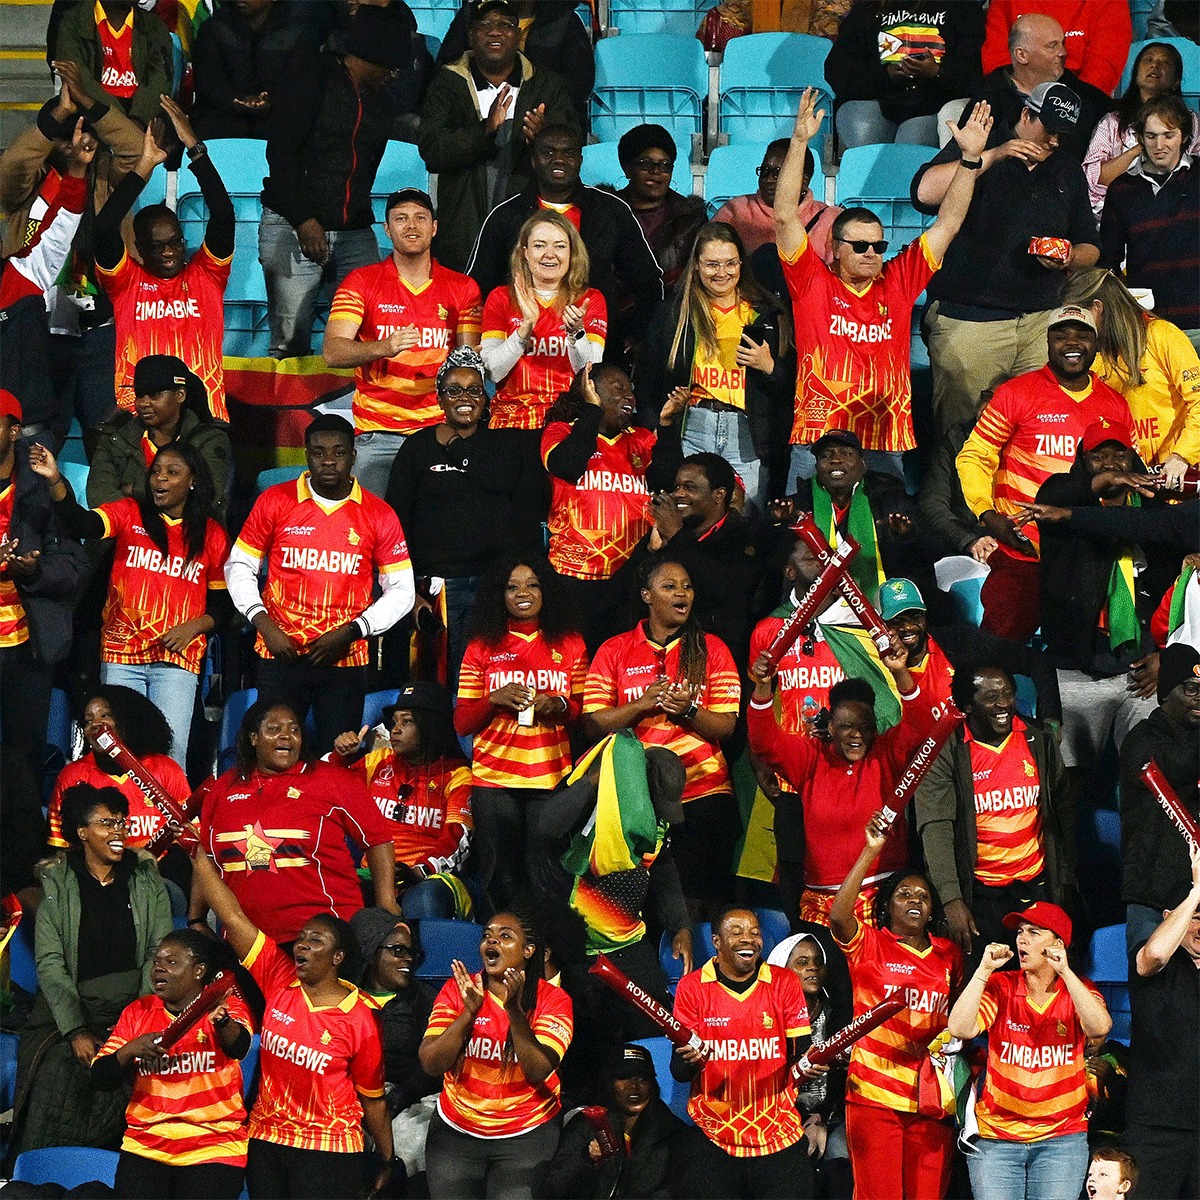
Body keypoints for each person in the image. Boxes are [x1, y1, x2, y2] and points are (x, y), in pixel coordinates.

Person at [776, 89, 992, 481]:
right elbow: (785, 217)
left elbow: (948, 224)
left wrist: (970, 160)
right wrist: (798, 143)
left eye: (878, 245)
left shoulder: (898, 280)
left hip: (883, 442)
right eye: (859, 245)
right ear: (833, 248)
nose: (872, 252)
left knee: (880, 541)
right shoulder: (811, 282)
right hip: (817, 440)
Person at [189, 829, 396, 1200]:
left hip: (329, 1150)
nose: (302, 943)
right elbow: (232, 917)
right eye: (302, 936)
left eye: (316, 939)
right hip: (267, 1141)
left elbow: (373, 1098)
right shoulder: (278, 977)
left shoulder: (361, 1016)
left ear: (338, 958)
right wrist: (196, 854)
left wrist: (386, 1157)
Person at [914, 80, 1100, 442]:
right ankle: (955, 502)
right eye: (1050, 130)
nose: (1055, 142)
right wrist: (994, 155)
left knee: (1035, 434)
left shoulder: (1066, 168)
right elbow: (924, 192)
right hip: (970, 319)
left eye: (1064, 134)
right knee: (960, 436)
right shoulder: (982, 142)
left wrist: (1068, 256)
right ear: (1027, 114)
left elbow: (1090, 246)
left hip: (1039, 322)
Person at [32, 439, 229, 771]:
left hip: (176, 660)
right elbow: (83, 524)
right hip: (121, 656)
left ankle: (165, 823)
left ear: (194, 480)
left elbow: (222, 608)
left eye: (172, 472)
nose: (160, 479)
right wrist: (55, 480)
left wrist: (192, 627)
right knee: (118, 755)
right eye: (156, 472)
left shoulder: (211, 534)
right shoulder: (129, 512)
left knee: (169, 757)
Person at [225, 414, 414, 753]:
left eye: (338, 452)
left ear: (354, 456)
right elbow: (239, 565)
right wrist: (265, 626)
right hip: (278, 653)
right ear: (306, 454)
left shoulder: (379, 513)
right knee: (273, 758)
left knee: (337, 760)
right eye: (318, 452)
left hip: (345, 659)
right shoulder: (275, 500)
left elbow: (402, 590)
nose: (328, 461)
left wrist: (351, 632)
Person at [956, 306, 1135, 642]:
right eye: (1061, 335)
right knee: (998, 650)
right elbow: (974, 456)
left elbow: (1128, 474)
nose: (1072, 342)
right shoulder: (1016, 393)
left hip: (1084, 555)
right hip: (1023, 550)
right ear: (1047, 342)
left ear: (1096, 344)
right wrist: (988, 514)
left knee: (1076, 659)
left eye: (1082, 335)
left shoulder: (1116, 404)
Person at [14, 783, 171, 1156]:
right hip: (72, 1009)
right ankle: (44, 1174)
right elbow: (50, 963)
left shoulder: (147, 879)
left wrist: (136, 1019)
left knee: (137, 1067)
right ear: (82, 832)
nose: (118, 832)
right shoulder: (57, 882)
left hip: (133, 1004)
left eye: (121, 823)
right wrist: (76, 1030)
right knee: (56, 1069)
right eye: (106, 824)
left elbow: (158, 952)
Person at [747, 627, 936, 928]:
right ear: (831, 727)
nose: (857, 734)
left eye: (865, 726)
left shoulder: (886, 753)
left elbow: (924, 724)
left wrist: (900, 673)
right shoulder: (811, 757)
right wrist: (763, 687)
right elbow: (763, 742)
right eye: (847, 726)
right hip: (823, 904)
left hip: (884, 901)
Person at [584, 558, 740, 913]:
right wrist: (640, 705)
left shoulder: (712, 649)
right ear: (646, 596)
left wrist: (688, 710)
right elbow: (593, 723)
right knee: (640, 909)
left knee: (700, 905)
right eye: (669, 586)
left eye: (686, 586)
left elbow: (726, 726)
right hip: (634, 796)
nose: (681, 593)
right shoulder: (614, 650)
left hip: (703, 793)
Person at [1030, 422, 1177, 784]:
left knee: (1152, 783)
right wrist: (1099, 485)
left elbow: (1175, 592)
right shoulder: (1058, 501)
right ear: (1082, 458)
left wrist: (1166, 655)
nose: (1111, 464)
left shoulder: (1154, 513)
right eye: (1099, 456)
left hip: (1140, 674)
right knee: (1065, 786)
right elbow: (1060, 495)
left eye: (1119, 455)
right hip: (1076, 672)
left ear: (1134, 457)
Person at [0, 67, 140, 443]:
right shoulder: (28, 184)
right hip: (37, 328)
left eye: (83, 134)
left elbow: (135, 146)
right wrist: (57, 115)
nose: (74, 143)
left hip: (98, 325)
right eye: (64, 137)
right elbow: (10, 166)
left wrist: (89, 103)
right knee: (42, 434)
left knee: (107, 434)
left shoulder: (108, 177)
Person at [258, 6, 407, 358]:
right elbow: (281, 156)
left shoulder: (382, 102)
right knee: (290, 340)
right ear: (368, 54)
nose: (395, 73)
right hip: (293, 223)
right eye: (389, 64)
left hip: (354, 229)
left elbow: (368, 166)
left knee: (368, 333)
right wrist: (304, 219)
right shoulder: (309, 79)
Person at [386, 346, 543, 679]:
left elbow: (501, 484)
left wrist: (456, 447)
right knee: (441, 680)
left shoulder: (507, 445)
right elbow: (397, 521)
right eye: (454, 390)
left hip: (495, 584)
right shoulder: (417, 447)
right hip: (439, 586)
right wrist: (407, 589)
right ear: (440, 399)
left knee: (490, 677)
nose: (465, 397)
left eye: (474, 390)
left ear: (485, 401)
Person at [191, 698, 399, 944]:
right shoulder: (224, 786)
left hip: (324, 941)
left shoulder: (333, 780)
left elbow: (378, 840)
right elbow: (205, 855)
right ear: (253, 737)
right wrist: (197, 919)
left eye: (294, 729)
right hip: (245, 943)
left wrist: (386, 902)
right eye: (274, 729)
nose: (286, 737)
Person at [830, 816, 963, 1200]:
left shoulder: (949, 955)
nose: (915, 901)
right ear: (886, 906)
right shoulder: (869, 945)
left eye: (923, 896)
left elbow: (957, 1015)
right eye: (904, 894)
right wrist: (870, 850)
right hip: (874, 1095)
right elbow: (839, 916)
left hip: (931, 1098)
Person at [323, 188, 483, 498]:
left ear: (434, 228)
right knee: (370, 533)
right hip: (377, 434)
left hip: (439, 430)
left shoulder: (463, 287)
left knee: (438, 530)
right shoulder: (361, 281)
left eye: (421, 218)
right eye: (401, 218)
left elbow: (469, 366)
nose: (411, 226)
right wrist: (384, 346)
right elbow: (333, 351)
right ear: (387, 229)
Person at [947, 902, 1111, 1200]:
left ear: (1058, 944)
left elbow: (1099, 1027)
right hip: (997, 1139)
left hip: (1062, 1140)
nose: (1022, 939)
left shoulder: (1080, 990)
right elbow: (959, 1028)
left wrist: (1066, 972)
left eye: (1034, 933)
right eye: (1020, 932)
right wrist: (983, 971)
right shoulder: (1001, 986)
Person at [916, 662, 1074, 968]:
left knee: (1038, 985)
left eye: (1008, 694)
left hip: (1036, 887)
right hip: (981, 897)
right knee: (987, 992)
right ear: (966, 706)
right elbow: (936, 827)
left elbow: (1063, 809)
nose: (1003, 704)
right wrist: (951, 900)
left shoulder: (1038, 739)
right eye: (990, 698)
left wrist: (1063, 878)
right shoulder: (946, 749)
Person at [455, 556, 587, 912]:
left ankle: (546, 958)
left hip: (550, 780)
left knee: (547, 878)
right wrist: (493, 699)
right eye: (512, 587)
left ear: (546, 592)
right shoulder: (481, 646)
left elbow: (581, 713)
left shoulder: (571, 644)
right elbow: (462, 723)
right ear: (500, 595)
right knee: (500, 879)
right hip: (494, 782)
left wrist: (557, 705)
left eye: (531, 585)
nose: (522, 593)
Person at [467, 123, 662, 364]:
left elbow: (649, 283)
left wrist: (632, 335)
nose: (559, 159)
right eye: (548, 152)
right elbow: (475, 288)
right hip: (520, 358)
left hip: (596, 356)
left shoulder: (611, 211)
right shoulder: (505, 215)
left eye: (568, 153)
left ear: (580, 160)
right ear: (534, 160)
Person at [636, 220, 795, 508]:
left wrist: (770, 367)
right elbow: (647, 377)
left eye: (730, 263)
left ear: (741, 264)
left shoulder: (768, 313)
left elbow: (792, 385)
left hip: (746, 431)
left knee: (745, 520)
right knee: (689, 518)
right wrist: (655, 425)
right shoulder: (674, 313)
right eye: (712, 264)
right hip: (691, 427)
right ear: (695, 265)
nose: (722, 273)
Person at [95, 99, 234, 423]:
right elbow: (104, 225)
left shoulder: (207, 274)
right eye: (158, 247)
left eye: (175, 242)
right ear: (140, 250)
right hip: (139, 421)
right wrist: (145, 164)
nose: (170, 252)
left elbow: (223, 213)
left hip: (205, 420)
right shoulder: (125, 282)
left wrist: (195, 149)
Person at [419, 911, 574, 1200]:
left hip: (526, 1135)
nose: (493, 940)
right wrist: (469, 1013)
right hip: (456, 1132)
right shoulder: (459, 989)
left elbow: (539, 1070)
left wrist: (514, 1011)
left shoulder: (552, 1000)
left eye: (505, 936)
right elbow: (431, 1063)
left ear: (529, 951)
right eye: (488, 935)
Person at [418, 1, 581, 274]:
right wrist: (485, 130)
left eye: (505, 25)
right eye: (485, 26)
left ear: (518, 35)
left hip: (528, 230)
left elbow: (572, 150)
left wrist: (543, 138)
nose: (495, 32)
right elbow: (432, 151)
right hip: (462, 228)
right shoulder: (447, 84)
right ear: (470, 36)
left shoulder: (546, 84)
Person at [91, 930, 254, 1200]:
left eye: (172, 962)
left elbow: (239, 1047)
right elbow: (100, 1077)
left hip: (213, 1146)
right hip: (146, 1147)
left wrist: (222, 1022)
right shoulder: (137, 1012)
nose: (159, 970)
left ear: (199, 970)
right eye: (156, 963)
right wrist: (130, 1050)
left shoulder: (225, 1005)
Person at [670, 908, 814, 1199]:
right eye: (736, 933)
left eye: (755, 933)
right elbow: (680, 1071)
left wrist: (810, 1065)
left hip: (778, 1133)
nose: (748, 939)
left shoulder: (785, 982)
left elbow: (799, 1054)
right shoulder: (691, 987)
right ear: (716, 941)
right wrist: (689, 1058)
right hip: (713, 1133)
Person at [541, 362, 684, 653]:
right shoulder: (560, 431)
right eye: (617, 389)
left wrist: (667, 425)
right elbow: (567, 465)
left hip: (630, 577)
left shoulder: (642, 439)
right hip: (574, 577)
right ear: (590, 390)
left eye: (631, 390)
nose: (629, 396)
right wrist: (590, 412)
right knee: (577, 664)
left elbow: (667, 480)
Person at [0, 392, 88, 776]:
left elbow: (74, 565)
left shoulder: (44, 490)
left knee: (24, 762)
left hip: (27, 645)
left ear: (14, 430)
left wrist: (33, 572)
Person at [334, 684, 474, 920]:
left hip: (431, 877)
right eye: (394, 722)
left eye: (406, 722)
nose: (395, 730)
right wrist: (340, 757)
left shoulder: (458, 775)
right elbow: (324, 791)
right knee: (333, 886)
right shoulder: (377, 762)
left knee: (424, 897)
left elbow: (457, 838)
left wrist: (420, 871)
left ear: (430, 726)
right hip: (375, 874)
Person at [775, 428, 944, 622]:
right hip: (815, 615)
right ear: (817, 466)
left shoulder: (891, 499)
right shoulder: (799, 504)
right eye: (826, 455)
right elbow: (777, 566)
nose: (835, 459)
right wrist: (778, 524)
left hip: (883, 613)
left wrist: (906, 536)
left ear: (863, 464)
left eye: (846, 454)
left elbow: (934, 551)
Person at [1063, 268, 1200, 485]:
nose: (1073, 328)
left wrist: (1182, 456)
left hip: (1176, 480)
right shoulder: (1093, 356)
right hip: (1124, 484)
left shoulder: (1163, 336)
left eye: (1077, 316)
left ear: (1097, 309)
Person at [46, 687, 192, 887]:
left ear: (127, 720)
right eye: (88, 721)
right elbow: (60, 847)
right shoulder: (72, 775)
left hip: (158, 876)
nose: (96, 725)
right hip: (97, 882)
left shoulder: (166, 770)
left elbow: (186, 842)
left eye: (105, 715)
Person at [480, 210, 607, 437]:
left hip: (568, 423)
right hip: (511, 424)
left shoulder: (590, 299)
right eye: (539, 246)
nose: (550, 254)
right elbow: (493, 372)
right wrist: (525, 328)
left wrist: (576, 334)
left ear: (572, 253)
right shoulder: (500, 297)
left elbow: (590, 371)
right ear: (525, 253)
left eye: (559, 246)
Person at [634, 452, 765, 669]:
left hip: (720, 661)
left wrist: (677, 536)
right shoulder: (667, 534)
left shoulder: (748, 534)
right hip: (660, 659)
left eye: (690, 487)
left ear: (719, 494)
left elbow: (726, 591)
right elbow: (628, 594)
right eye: (677, 487)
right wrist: (648, 551)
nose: (679, 494)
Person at [1123, 843, 1199, 1200]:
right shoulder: (1154, 964)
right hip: (1156, 1127)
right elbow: (1153, 953)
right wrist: (1197, 891)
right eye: (1196, 917)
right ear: (1172, 916)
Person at [1118, 642, 1200, 950]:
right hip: (1152, 893)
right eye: (1191, 689)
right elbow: (1177, 766)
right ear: (1166, 693)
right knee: (1151, 983)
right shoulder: (1141, 739)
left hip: (1196, 889)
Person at [1100, 94, 1200, 338]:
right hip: (1148, 326)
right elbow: (1107, 262)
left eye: (1168, 135)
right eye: (1151, 136)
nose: (1159, 145)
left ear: (1184, 136)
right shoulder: (1122, 189)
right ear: (1140, 139)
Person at [824, 0, 985, 149]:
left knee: (913, 141)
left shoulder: (962, 8)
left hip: (932, 105)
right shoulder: (868, 8)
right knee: (857, 120)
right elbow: (836, 70)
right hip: (878, 99)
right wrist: (886, 75)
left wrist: (937, 72)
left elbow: (974, 75)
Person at [87, 355, 233, 519]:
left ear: (180, 395)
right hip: (125, 538)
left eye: (154, 395)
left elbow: (206, 499)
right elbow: (98, 497)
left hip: (187, 538)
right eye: (140, 395)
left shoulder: (210, 440)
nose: (143, 403)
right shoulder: (114, 437)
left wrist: (133, 491)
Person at [766, 933, 852, 1198]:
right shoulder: (767, 1018)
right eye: (802, 962)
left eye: (817, 962)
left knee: (841, 1165)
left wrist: (822, 1121)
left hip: (833, 1118)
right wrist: (802, 1120)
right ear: (782, 970)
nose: (812, 967)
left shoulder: (839, 1015)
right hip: (780, 1118)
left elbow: (845, 1083)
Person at [544, 1042, 686, 1200]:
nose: (634, 1086)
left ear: (653, 1085)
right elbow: (554, 1188)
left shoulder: (673, 1132)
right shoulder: (587, 1123)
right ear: (610, 1083)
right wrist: (587, 1158)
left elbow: (679, 1189)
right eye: (624, 1078)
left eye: (642, 1078)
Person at [966, 13, 1113, 163]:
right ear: (1022, 55)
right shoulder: (988, 100)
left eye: (1062, 43)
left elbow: (1121, 117)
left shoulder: (1082, 94)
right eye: (1052, 46)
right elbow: (959, 161)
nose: (1063, 53)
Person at [434, 0, 595, 129]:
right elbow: (447, 68)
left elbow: (579, 85)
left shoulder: (564, 19)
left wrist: (546, 120)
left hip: (542, 121)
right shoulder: (472, 15)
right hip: (476, 119)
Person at [1083, 42, 1200, 216]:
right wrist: (1139, 148)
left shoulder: (1189, 121)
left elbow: (1194, 174)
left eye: (1165, 63)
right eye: (1148, 59)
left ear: (1176, 80)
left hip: (1174, 214)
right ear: (1136, 73)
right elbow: (1093, 180)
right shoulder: (1113, 121)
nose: (1155, 65)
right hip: (1115, 214)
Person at [349, 909, 440, 1117]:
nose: (407, 958)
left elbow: (431, 1069)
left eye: (411, 952)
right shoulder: (344, 997)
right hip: (350, 1098)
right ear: (370, 951)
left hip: (408, 1101)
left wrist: (396, 1101)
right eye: (398, 950)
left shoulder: (425, 999)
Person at [190, 0, 319, 140]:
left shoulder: (298, 32)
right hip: (222, 127)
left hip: (281, 129)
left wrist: (271, 102)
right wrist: (234, 101)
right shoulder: (213, 29)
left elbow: (304, 90)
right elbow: (207, 85)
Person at [612, 124, 706, 293]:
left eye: (664, 165)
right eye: (645, 163)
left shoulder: (691, 218)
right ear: (627, 168)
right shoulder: (605, 212)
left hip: (673, 308)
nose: (655, 171)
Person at [712, 139, 840, 264]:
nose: (768, 180)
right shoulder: (735, 211)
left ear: (804, 180)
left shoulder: (828, 219)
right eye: (765, 171)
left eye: (777, 173)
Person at [51, 0, 172, 126]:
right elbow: (79, 80)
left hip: (139, 111)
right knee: (54, 119)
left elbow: (159, 80)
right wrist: (120, 122)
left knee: (166, 129)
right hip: (92, 108)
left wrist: (137, 120)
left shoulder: (154, 25)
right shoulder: (72, 21)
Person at [980, 1, 1131, 98]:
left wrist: (1063, 104)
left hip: (1080, 99)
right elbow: (996, 59)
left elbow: (1102, 71)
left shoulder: (1111, 3)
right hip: (1014, 93)